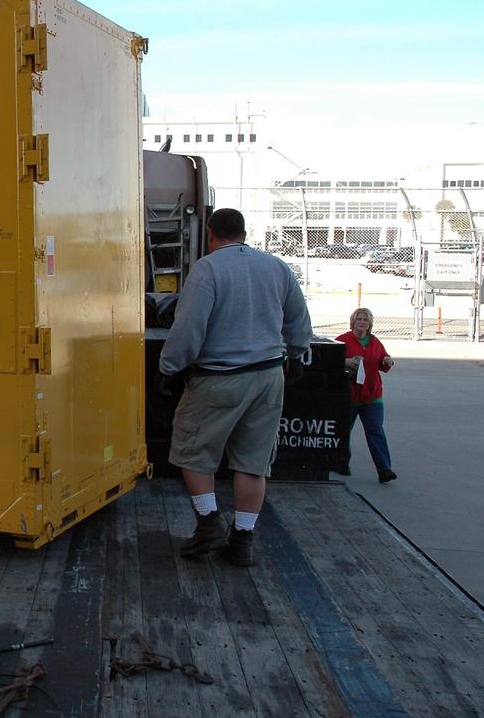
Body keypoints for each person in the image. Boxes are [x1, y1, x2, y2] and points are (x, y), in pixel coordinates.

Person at [158, 208, 312, 566]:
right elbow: (299, 319)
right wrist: (297, 352)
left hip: (218, 378)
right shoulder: (276, 267)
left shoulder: (208, 269)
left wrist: (169, 367)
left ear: (211, 233)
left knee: (192, 451)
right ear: (244, 232)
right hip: (269, 377)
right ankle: (243, 539)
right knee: (253, 462)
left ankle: (209, 524)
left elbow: (189, 325)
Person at [335, 308, 397, 483]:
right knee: (344, 431)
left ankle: (384, 469)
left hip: (372, 395)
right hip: (350, 395)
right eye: (359, 319)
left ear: (370, 324)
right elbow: (330, 360)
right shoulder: (343, 340)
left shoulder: (375, 341)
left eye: (365, 320)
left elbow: (383, 362)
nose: (362, 322)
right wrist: (346, 361)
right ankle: (342, 463)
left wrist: (387, 361)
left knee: (375, 431)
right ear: (353, 322)